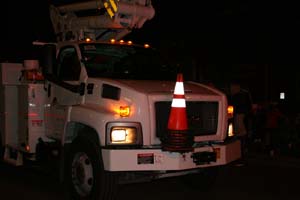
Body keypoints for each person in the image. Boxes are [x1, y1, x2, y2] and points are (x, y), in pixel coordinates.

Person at [228, 80, 252, 164]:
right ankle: (241, 153)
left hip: (239, 115)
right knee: (241, 134)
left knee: (239, 135)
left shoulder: (238, 96)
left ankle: (240, 156)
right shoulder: (244, 95)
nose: (231, 89)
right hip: (241, 115)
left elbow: (235, 106)